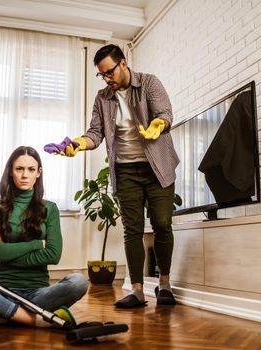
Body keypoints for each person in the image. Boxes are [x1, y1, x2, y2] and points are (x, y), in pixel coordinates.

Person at [45, 44, 179, 308]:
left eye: (110, 72)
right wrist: (77, 144)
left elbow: (165, 114)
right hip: (126, 169)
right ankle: (138, 291)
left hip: (157, 167)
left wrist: (157, 125)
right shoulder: (102, 98)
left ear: (123, 63)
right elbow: (95, 133)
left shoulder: (150, 83)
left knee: (162, 223)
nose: (107, 79)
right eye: (102, 75)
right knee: (132, 229)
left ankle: (164, 284)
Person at [0, 146, 89, 327]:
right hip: (1, 290)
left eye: (31, 169)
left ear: (38, 173)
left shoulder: (50, 209)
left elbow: (53, 255)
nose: (25, 175)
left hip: (39, 292)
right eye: (19, 169)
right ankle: (33, 319)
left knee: (78, 282)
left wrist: (6, 252)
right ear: (11, 171)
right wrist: (36, 244)